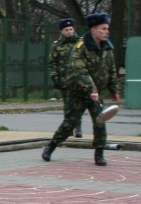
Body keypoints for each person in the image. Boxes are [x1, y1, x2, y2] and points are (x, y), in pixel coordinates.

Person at [42, 13, 120, 166]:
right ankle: (51, 146)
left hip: (95, 93)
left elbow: (111, 70)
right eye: (103, 29)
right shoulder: (80, 47)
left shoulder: (107, 48)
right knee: (69, 124)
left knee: (100, 122)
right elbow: (80, 71)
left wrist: (114, 90)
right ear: (93, 30)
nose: (107, 32)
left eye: (107, 29)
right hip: (77, 92)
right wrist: (91, 89)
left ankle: (99, 153)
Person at [49, 19, 82, 138]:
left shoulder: (81, 43)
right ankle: (69, 129)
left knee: (78, 105)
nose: (69, 32)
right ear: (61, 31)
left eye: (71, 29)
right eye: (66, 30)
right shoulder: (57, 45)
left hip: (78, 80)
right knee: (68, 106)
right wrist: (55, 78)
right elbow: (53, 63)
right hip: (64, 80)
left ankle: (78, 128)